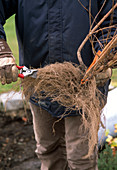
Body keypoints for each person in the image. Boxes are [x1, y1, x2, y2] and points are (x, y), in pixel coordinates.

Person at [0, 0, 117, 169]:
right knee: (48, 151)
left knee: (81, 158)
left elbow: (112, 20)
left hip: (84, 86)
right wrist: (2, 50)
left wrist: (104, 55)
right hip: (39, 83)